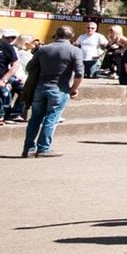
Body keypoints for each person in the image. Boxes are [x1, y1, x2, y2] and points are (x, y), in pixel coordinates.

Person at [22, 26, 84, 158]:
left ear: (56, 34)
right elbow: (79, 74)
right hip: (59, 89)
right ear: (71, 35)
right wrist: (73, 89)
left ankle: (28, 148)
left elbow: (29, 67)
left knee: (35, 118)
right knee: (51, 118)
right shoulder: (75, 51)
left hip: (40, 87)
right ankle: (44, 148)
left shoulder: (43, 49)